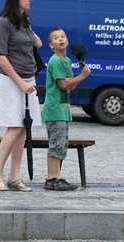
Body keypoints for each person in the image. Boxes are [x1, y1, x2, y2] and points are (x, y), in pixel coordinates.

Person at [0, 0, 43, 192]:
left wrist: (28, 28)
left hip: (28, 77)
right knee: (14, 127)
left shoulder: (24, 21)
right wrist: (19, 82)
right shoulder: (3, 23)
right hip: (11, 80)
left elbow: (37, 44)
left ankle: (15, 175)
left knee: (23, 128)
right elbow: (1, 57)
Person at [42, 28, 91, 191]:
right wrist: (82, 76)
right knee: (56, 143)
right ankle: (52, 178)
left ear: (67, 41)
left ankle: (58, 176)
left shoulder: (67, 61)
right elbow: (63, 85)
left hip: (63, 109)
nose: (60, 39)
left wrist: (76, 79)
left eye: (63, 36)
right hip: (55, 109)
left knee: (62, 144)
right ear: (51, 45)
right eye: (56, 38)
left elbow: (70, 84)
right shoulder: (55, 61)